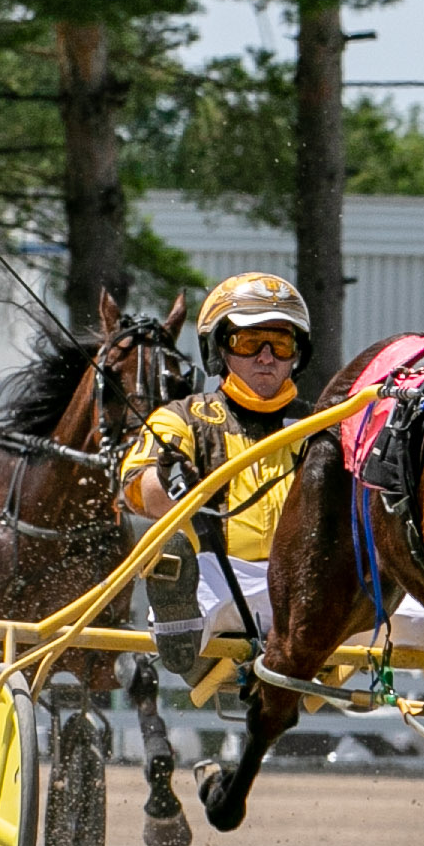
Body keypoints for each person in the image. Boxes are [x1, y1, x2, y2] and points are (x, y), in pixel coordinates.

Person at [127, 272, 324, 647]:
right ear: (219, 348)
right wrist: (168, 480)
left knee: (409, 606)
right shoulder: (181, 418)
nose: (266, 357)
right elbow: (143, 492)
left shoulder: (323, 427)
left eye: (280, 344)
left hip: (303, 581)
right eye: (248, 342)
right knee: (200, 578)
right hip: (215, 575)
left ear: (297, 354)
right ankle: (179, 619)